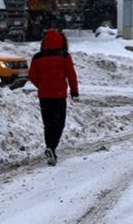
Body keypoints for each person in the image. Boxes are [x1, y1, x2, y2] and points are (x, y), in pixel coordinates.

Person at [28, 29, 79, 166]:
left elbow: (32, 75)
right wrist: (74, 91)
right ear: (62, 41)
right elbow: (71, 75)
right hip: (59, 96)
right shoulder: (64, 56)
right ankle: (52, 147)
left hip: (44, 96)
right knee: (59, 124)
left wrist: (41, 85)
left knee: (48, 124)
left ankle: (49, 147)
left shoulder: (38, 57)